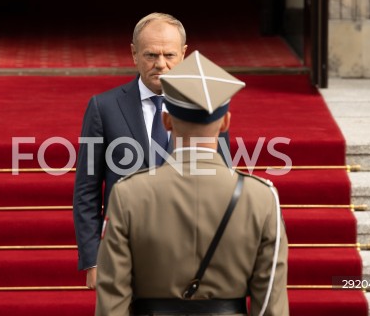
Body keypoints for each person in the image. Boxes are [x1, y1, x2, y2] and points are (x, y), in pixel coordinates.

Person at [96, 50, 289, 316]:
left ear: (166, 121)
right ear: (225, 123)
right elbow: (270, 303)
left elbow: (112, 301)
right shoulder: (261, 197)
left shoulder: (128, 194)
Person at [73, 13, 231, 289]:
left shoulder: (207, 106)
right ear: (133, 54)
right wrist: (93, 260)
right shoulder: (103, 107)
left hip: (193, 253)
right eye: (150, 55)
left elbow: (223, 182)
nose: (161, 64)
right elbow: (86, 190)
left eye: (169, 54)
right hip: (125, 255)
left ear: (184, 53)